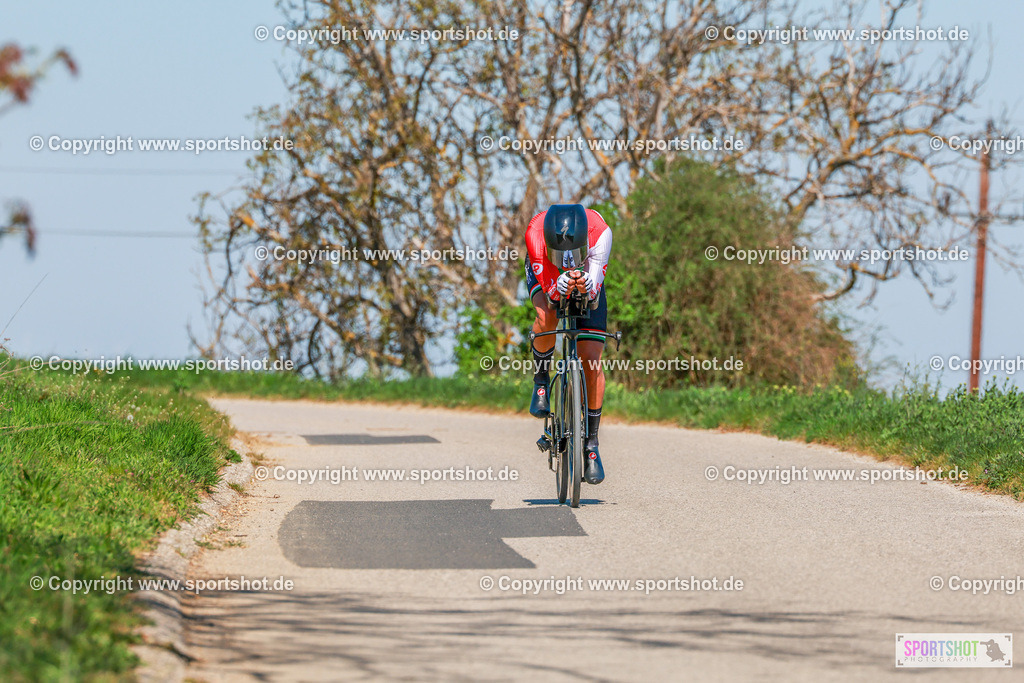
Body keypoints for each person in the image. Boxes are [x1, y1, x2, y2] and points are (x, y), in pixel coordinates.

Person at [524, 204, 612, 485]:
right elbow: (551, 297)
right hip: (546, 270)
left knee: (591, 358)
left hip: (588, 269)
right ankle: (541, 381)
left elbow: (593, 293)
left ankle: (591, 444)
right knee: (546, 315)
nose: (568, 261)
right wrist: (556, 287)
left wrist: (587, 286)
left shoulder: (601, 233)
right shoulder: (535, 235)